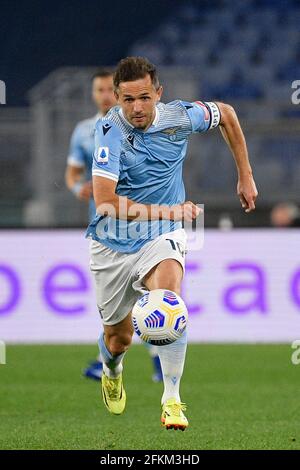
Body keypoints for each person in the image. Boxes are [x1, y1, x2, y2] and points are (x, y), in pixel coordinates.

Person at [86, 56, 258, 430]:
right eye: (128, 99)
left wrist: (245, 175)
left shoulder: (180, 116)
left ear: (158, 94)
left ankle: (172, 398)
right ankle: (112, 369)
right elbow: (105, 202)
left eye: (144, 98)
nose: (136, 108)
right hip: (113, 243)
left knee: (169, 300)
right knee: (119, 339)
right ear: (116, 98)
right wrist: (168, 213)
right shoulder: (109, 131)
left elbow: (226, 114)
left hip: (161, 236)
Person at [65, 69, 163, 382]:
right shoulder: (84, 130)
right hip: (107, 229)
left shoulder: (141, 124)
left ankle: (158, 360)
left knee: (152, 293)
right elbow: (72, 173)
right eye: (100, 90)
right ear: (94, 94)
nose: (105, 95)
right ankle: (109, 359)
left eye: (110, 89)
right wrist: (76, 187)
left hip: (145, 224)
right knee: (117, 307)